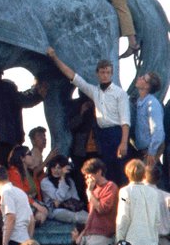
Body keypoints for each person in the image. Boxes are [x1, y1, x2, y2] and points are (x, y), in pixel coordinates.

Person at [47, 48, 130, 185]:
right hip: (102, 133)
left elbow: (125, 119)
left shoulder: (119, 93)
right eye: (102, 72)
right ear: (98, 74)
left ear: (112, 74)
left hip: (115, 132)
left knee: (118, 170)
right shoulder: (94, 91)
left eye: (108, 72)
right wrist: (55, 57)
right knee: (105, 171)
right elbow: (73, 77)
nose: (105, 75)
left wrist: (124, 141)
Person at [116, 159, 162, 245]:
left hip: (132, 242)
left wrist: (119, 240)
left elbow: (123, 216)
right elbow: (157, 219)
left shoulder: (124, 192)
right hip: (150, 242)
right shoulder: (154, 193)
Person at [40, 155, 89, 225]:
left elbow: (75, 198)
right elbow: (58, 198)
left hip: (72, 208)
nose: (56, 171)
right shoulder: (45, 182)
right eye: (53, 168)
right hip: (55, 210)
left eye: (59, 168)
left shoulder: (69, 181)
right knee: (79, 218)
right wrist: (62, 179)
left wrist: (61, 200)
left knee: (90, 217)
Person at [134, 73, 165, 169]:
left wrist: (152, 152)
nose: (139, 77)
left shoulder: (152, 103)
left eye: (143, 78)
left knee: (148, 179)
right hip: (143, 150)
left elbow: (158, 130)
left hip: (150, 150)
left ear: (147, 86)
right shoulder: (140, 101)